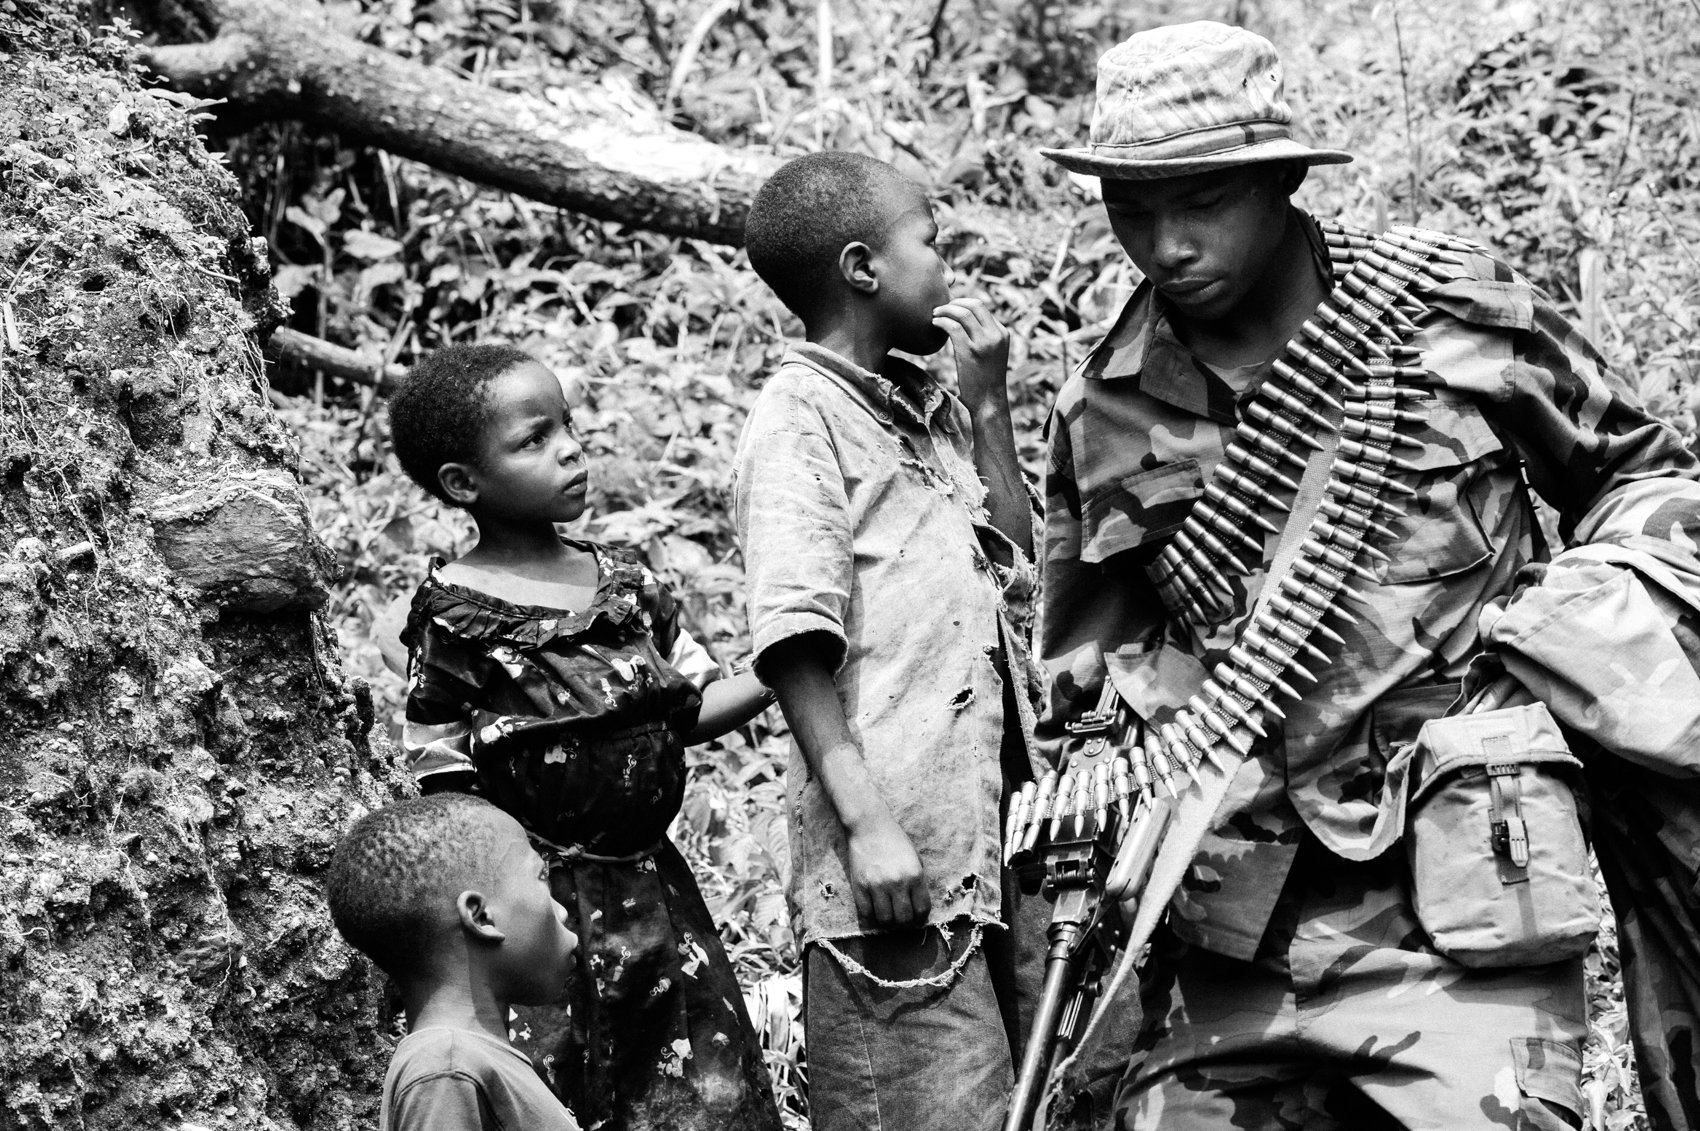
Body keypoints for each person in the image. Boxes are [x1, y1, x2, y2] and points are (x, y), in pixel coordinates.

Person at [1035, 20, 1700, 1131]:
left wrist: (1559, 630)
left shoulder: (1450, 315)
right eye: (1129, 206)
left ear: (1283, 177)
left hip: (1465, 911)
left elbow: (1647, 483)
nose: (1161, 245)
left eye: (1197, 201)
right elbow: (1085, 674)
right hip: (1229, 943)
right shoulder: (1101, 412)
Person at [732, 151, 1056, 1131]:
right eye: (933, 243)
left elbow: (1019, 562)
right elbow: (792, 639)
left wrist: (989, 402)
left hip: (992, 832)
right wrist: (868, 825)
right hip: (894, 851)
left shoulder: (924, 406)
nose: (948, 268)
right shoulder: (796, 416)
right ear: (864, 268)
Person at [386, 343, 783, 1131]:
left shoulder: (628, 588)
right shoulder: (457, 615)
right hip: (537, 912)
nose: (569, 446)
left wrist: (783, 668)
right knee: (565, 1095)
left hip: (659, 898)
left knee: (699, 1093)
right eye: (534, 439)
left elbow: (691, 706)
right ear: (464, 484)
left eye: (567, 425)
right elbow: (439, 772)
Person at [325, 793, 583, 1131]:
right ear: (481, 917)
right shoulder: (445, 1071)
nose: (562, 910)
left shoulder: (467, 1062)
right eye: (541, 877)